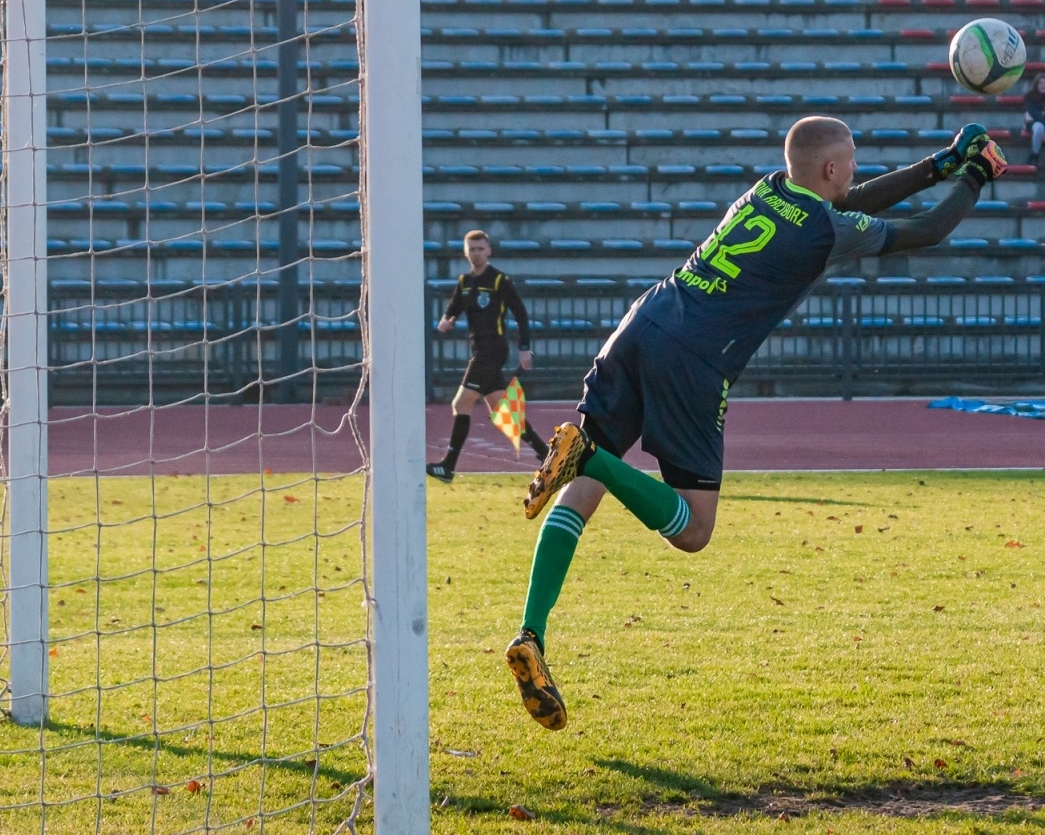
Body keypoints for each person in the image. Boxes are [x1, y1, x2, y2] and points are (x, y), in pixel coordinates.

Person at [502, 117, 1007, 730]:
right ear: (829, 168)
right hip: (695, 356)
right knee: (691, 529)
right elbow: (923, 231)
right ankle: (586, 455)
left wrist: (940, 163)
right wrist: (976, 176)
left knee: (582, 497)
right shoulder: (822, 227)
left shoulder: (769, 188)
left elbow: (851, 207)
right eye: (850, 160)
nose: (855, 169)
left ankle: (532, 632)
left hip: (646, 320)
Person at [427, 230, 548, 482]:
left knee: (460, 404)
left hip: (492, 352)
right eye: (472, 249)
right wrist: (446, 320)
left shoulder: (499, 280)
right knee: (503, 413)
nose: (477, 253)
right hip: (480, 351)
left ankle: (448, 466)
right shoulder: (465, 281)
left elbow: (521, 314)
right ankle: (547, 455)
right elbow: (454, 307)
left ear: (489, 251)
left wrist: (524, 347)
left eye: (481, 249)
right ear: (466, 252)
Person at [1022, 73, 1045, 170]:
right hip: (1032, 123)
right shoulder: (1029, 96)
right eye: (1040, 83)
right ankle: (1034, 155)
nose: (1043, 85)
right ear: (1036, 85)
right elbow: (1035, 114)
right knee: (1039, 127)